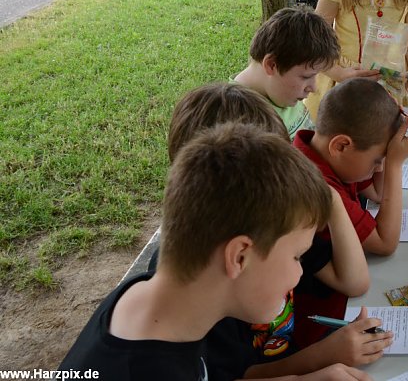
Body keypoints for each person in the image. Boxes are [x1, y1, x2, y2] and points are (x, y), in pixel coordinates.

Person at [60, 122, 373, 381]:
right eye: (296, 257)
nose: (299, 272)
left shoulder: (152, 301)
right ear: (239, 257)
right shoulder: (143, 369)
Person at [161, 84, 383, 380]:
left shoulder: (279, 228)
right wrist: (320, 357)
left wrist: (331, 199)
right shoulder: (203, 288)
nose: (298, 273)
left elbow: (355, 282)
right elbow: (239, 374)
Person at [293, 77, 408, 345]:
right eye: (376, 161)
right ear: (340, 146)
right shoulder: (318, 185)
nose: (378, 168)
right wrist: (395, 164)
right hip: (317, 323)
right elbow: (385, 243)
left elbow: (376, 193)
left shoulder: (323, 154)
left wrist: (388, 142)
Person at [233, 6, 341, 140]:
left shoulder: (280, 93)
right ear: (272, 64)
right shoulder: (243, 127)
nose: (313, 87)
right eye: (306, 77)